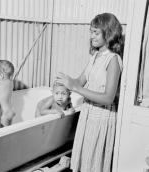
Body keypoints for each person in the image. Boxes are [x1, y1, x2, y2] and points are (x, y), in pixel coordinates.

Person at [55, 13, 124, 172]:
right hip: (88, 113)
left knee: (94, 164)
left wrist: (76, 87)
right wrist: (64, 84)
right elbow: (79, 82)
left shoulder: (113, 59)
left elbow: (108, 98)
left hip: (101, 117)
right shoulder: (95, 56)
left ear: (109, 33)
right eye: (91, 31)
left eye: (96, 32)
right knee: (85, 160)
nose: (91, 36)